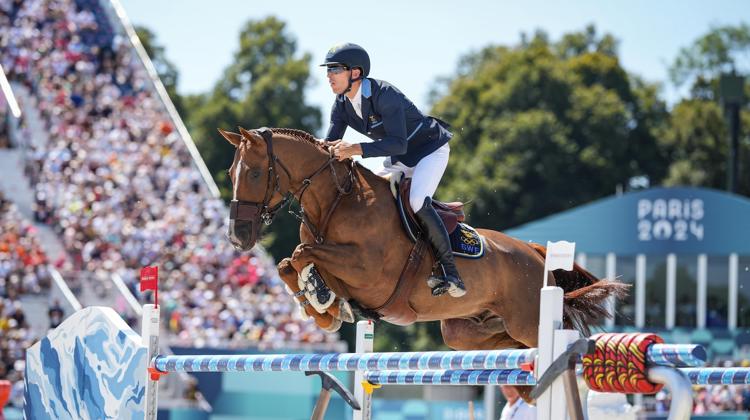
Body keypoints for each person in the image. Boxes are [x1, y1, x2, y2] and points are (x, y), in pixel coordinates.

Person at [320, 43, 466, 298]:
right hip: (400, 158)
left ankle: (451, 272)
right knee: (368, 198)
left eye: (335, 69)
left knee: (418, 200)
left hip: (429, 150)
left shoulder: (384, 94)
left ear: (355, 72)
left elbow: (399, 142)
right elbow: (329, 144)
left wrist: (354, 149)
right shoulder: (341, 103)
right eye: (328, 70)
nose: (329, 76)